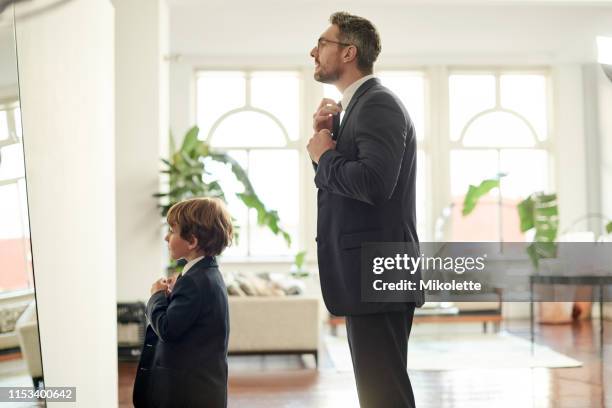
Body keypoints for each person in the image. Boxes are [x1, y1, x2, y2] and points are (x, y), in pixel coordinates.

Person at [307, 11, 424, 408]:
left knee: (384, 393)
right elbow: (355, 183)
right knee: (378, 392)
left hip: (378, 272)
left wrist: (324, 158)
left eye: (322, 44)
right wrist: (328, 142)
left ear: (348, 52)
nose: (313, 51)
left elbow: (374, 184)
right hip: (372, 273)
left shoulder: (378, 104)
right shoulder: (358, 107)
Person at [133, 197, 233, 408]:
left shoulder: (194, 283)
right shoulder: (206, 274)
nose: (166, 237)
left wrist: (156, 296)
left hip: (187, 394)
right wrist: (172, 297)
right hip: (200, 389)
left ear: (192, 242)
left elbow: (168, 329)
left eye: (172, 231)